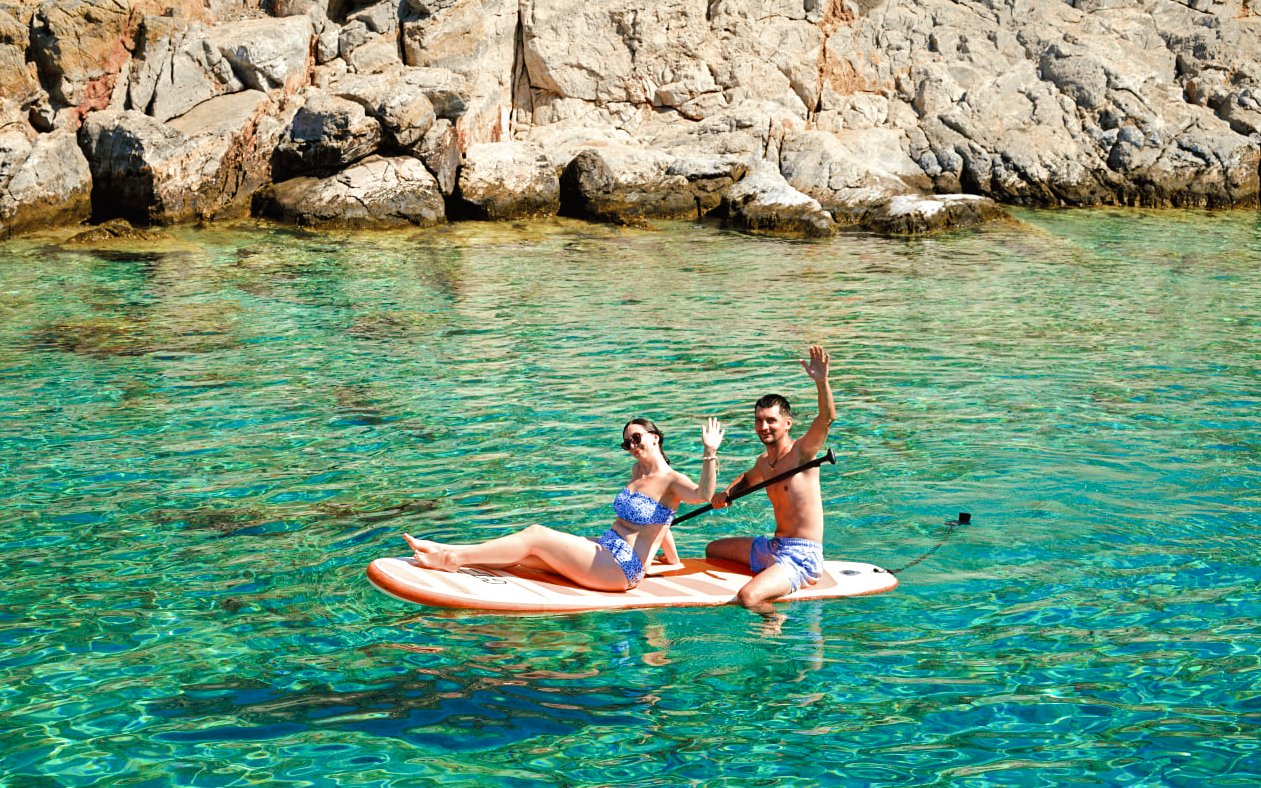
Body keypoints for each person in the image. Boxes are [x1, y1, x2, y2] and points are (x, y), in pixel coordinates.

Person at [402, 417, 725, 591]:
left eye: (637, 437)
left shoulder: (672, 481)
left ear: (655, 437)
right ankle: (449, 547)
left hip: (619, 569)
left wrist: (709, 453)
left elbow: (704, 495)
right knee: (523, 555)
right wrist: (673, 560)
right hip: (604, 549)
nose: (632, 445)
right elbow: (661, 522)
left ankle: (451, 557)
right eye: (627, 442)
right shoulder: (638, 472)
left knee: (536, 534)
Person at [705, 345, 835, 612]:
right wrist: (726, 495)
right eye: (759, 420)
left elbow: (826, 419)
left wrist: (822, 382)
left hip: (802, 555)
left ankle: (773, 619)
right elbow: (747, 480)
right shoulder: (764, 463)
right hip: (774, 546)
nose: (763, 427)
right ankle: (772, 575)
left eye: (771, 421)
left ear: (787, 423)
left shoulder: (803, 453)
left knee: (749, 598)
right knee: (713, 549)